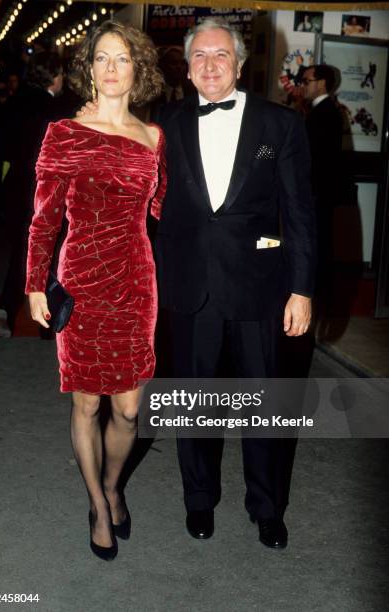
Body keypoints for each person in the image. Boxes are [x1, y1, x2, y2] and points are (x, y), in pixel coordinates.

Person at [154, 18, 316, 549]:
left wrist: (302, 289)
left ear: (240, 64)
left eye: (220, 55)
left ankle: (267, 507)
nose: (209, 65)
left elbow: (299, 213)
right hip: (191, 287)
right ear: (187, 64)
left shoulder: (279, 126)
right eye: (199, 56)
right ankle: (198, 499)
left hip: (260, 288)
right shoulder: (166, 123)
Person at [25, 21, 165, 561]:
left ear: (138, 69)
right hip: (81, 278)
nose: (111, 68)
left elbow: (163, 212)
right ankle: (97, 503)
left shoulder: (155, 139)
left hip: (135, 279)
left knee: (129, 409)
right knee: (87, 402)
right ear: (89, 69)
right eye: (101, 58)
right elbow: (43, 218)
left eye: (122, 58)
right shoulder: (65, 133)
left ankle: (112, 483)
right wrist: (35, 284)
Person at [0, 52, 64, 338]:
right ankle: (46, 324)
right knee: (46, 253)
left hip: (13, 188)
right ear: (53, 77)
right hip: (42, 192)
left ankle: (6, 307)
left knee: (21, 252)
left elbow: (2, 145)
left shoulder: (13, 103)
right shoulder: (56, 111)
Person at [301, 64, 343, 285]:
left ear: (322, 84)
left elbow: (311, 155)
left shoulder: (323, 113)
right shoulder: (322, 111)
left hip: (317, 193)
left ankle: (316, 301)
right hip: (319, 192)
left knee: (317, 248)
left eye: (306, 82)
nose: (302, 86)